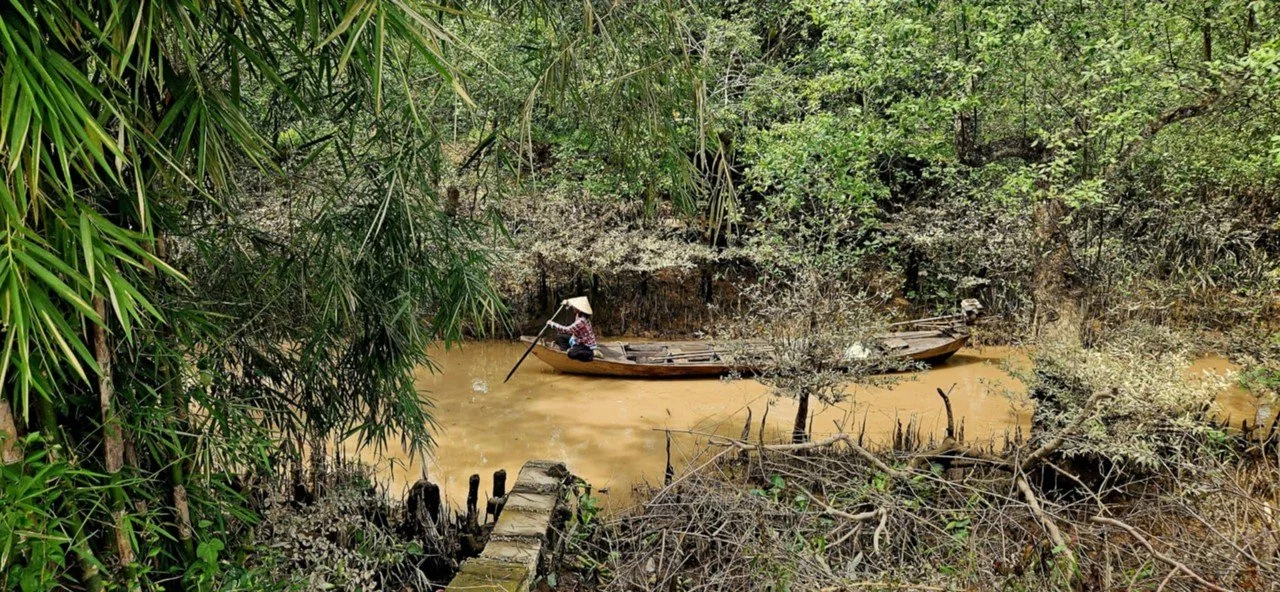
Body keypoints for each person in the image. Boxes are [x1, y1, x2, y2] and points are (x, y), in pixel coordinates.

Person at [548, 296, 597, 362]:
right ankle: (566, 353)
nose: (573, 307)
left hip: (585, 345)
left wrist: (552, 324)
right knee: (559, 337)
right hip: (577, 339)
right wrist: (567, 303)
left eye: (575, 307)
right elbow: (571, 305)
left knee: (571, 354)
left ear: (579, 309)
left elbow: (567, 330)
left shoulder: (582, 320)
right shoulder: (579, 314)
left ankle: (592, 354)